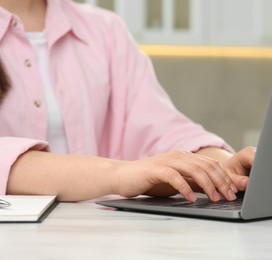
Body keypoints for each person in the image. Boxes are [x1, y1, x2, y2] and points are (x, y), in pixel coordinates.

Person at [0, 0, 255, 203]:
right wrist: (120, 174)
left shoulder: (104, 29)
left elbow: (162, 129)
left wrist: (222, 166)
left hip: (97, 238)